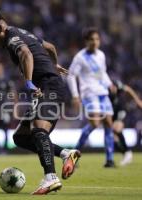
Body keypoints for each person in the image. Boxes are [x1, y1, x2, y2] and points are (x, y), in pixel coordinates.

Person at [0, 10, 81, 195]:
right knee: (21, 137)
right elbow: (50, 47)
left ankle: (50, 178)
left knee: (38, 129)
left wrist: (28, 82)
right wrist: (55, 64)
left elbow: (26, 53)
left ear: (0, 28)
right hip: (48, 84)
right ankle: (67, 154)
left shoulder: (11, 38)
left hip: (47, 86)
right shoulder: (24, 32)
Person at [67, 27, 116, 168]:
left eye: (97, 39)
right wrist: (75, 96)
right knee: (95, 123)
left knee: (108, 124)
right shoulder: (80, 57)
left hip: (102, 93)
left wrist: (109, 84)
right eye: (91, 39)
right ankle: (73, 156)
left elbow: (102, 73)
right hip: (89, 93)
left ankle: (109, 160)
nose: (95, 42)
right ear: (86, 41)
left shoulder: (101, 55)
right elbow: (71, 75)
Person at [110, 80, 142, 166]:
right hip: (111, 113)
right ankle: (126, 153)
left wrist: (138, 101)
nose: (112, 89)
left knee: (117, 127)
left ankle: (127, 152)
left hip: (121, 109)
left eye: (113, 87)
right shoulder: (103, 89)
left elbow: (128, 89)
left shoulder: (116, 84)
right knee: (113, 140)